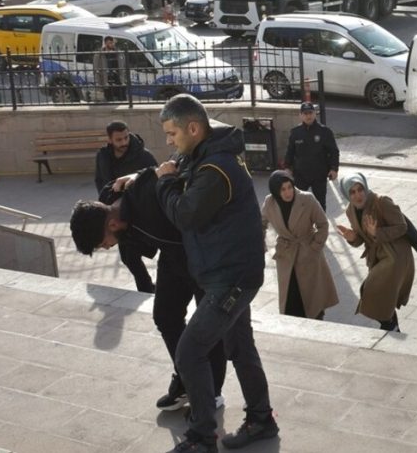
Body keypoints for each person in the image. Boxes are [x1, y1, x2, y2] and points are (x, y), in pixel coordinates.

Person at [154, 94, 276, 452]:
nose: (169, 142)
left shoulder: (216, 168)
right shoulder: (204, 155)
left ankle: (203, 437)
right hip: (231, 271)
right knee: (240, 346)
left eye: (172, 133)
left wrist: (166, 183)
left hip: (231, 278)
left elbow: (186, 214)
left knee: (190, 351)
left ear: (193, 128)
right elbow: (180, 171)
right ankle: (261, 419)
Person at [69, 167, 228, 414]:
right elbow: (137, 179)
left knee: (207, 328)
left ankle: (211, 393)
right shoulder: (112, 198)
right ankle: (186, 380)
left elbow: (168, 172)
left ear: (111, 223)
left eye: (103, 243)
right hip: (173, 259)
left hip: (202, 260)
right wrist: (132, 176)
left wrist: (142, 174)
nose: (107, 248)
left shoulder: (149, 205)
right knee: (165, 317)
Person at [335, 171, 415, 331]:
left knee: (369, 290)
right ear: (346, 194)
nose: (358, 195)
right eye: (352, 192)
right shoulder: (350, 211)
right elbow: (361, 239)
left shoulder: (381, 202)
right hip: (379, 258)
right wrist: (352, 238)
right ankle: (392, 327)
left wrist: (377, 233)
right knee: (383, 296)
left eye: (360, 189)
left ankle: (390, 326)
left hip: (395, 257)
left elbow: (402, 227)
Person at [260, 170, 338, 319]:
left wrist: (314, 247)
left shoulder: (307, 199)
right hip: (286, 255)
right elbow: (261, 223)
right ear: (276, 191)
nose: (288, 192)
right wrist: (261, 242)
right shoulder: (270, 202)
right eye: (283, 189)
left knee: (312, 299)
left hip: (307, 253)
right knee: (290, 299)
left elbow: (323, 224)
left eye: (289, 187)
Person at [93, 120, 158, 290]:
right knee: (128, 257)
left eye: (126, 137)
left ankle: (148, 287)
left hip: (138, 214)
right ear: (110, 140)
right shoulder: (103, 156)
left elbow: (155, 178)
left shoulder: (144, 156)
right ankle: (146, 286)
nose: (124, 143)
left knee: (133, 253)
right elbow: (100, 179)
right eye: (119, 140)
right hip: (116, 214)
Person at [284, 102, 340, 210]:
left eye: (310, 113)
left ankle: (321, 226)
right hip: (300, 175)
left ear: (315, 114)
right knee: (298, 204)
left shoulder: (325, 132)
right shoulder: (295, 133)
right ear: (300, 115)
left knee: (320, 205)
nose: (308, 116)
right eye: (305, 113)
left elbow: (334, 151)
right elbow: (290, 151)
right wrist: (287, 168)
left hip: (319, 175)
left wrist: (334, 169)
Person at [93, 36, 125, 102]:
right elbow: (96, 69)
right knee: (109, 99)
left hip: (117, 79)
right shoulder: (99, 54)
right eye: (110, 43)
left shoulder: (118, 53)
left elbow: (123, 66)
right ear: (106, 43)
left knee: (122, 98)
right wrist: (98, 82)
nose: (112, 44)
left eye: (113, 42)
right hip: (106, 79)